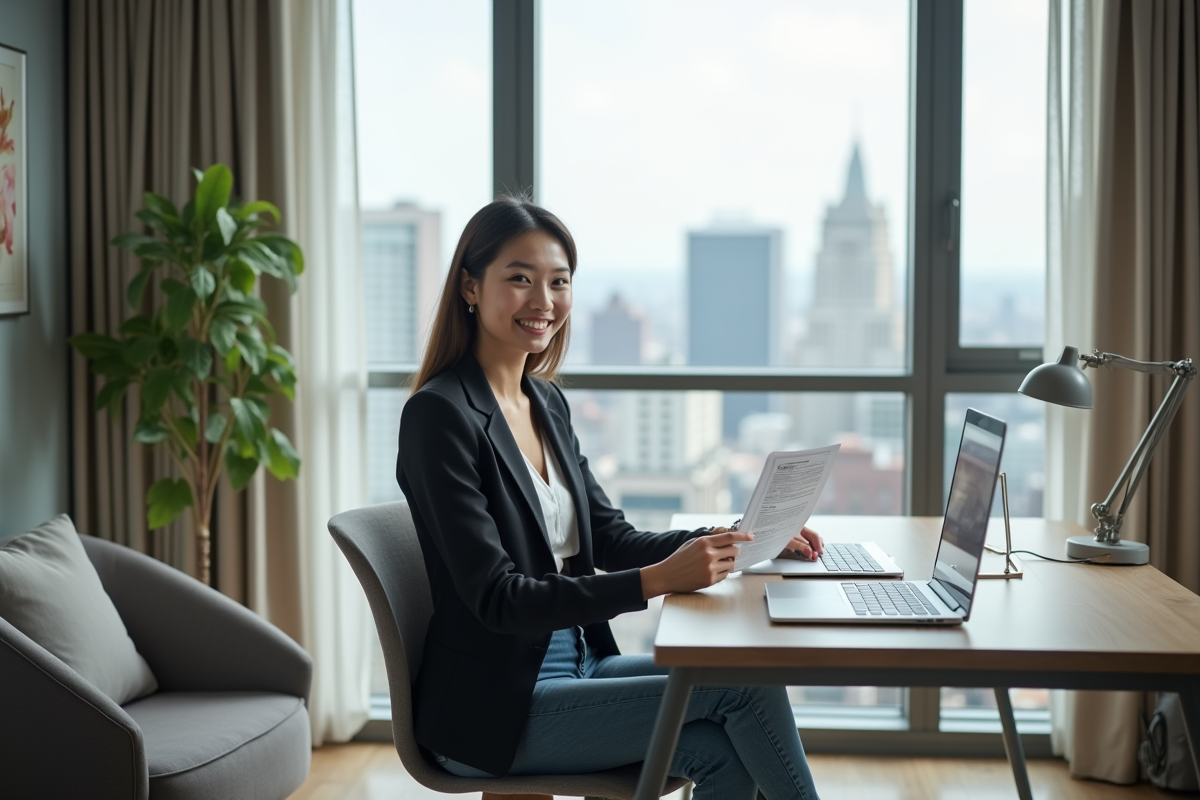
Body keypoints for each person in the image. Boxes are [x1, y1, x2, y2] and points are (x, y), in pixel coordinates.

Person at [396, 195, 825, 799]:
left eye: (558, 282)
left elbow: (611, 536)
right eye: (519, 279)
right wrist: (655, 581)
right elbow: (497, 599)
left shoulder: (545, 402)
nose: (543, 302)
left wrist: (736, 538)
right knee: (743, 686)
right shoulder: (439, 416)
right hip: (496, 706)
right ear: (470, 286)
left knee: (728, 744)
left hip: (581, 664)